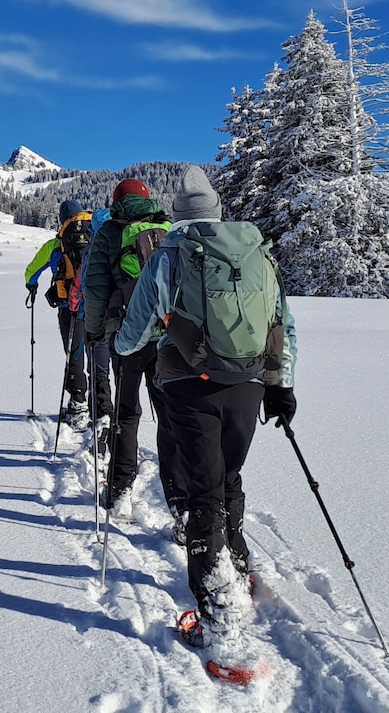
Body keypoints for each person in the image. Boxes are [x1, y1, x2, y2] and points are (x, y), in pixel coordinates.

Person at [111, 165, 297, 643]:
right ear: (216, 213)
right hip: (249, 384)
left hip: (190, 386)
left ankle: (218, 613)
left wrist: (126, 349)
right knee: (228, 477)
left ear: (177, 215)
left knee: (202, 492)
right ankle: (236, 564)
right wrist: (281, 386)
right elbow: (283, 324)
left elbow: (135, 329)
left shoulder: (170, 253)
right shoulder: (258, 252)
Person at [83, 178, 183, 527]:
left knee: (126, 414)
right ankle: (180, 501)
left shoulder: (109, 233)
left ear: (117, 201)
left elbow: (95, 289)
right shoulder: (169, 227)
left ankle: (120, 487)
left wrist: (94, 330)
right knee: (170, 417)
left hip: (125, 336)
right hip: (169, 337)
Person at [25, 198, 109, 431]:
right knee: (100, 357)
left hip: (68, 308)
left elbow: (32, 271)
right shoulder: (98, 235)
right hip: (99, 307)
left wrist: (31, 285)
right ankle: (102, 407)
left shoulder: (57, 244)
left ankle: (78, 404)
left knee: (75, 352)